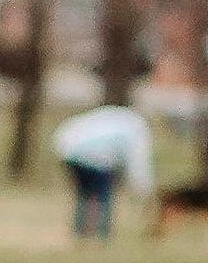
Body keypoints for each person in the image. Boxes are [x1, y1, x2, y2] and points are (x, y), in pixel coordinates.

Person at [53, 95, 155, 240]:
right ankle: (102, 235)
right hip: (94, 156)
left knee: (85, 194)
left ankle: (80, 233)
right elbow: (137, 162)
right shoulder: (136, 127)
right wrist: (144, 191)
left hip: (68, 149)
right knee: (104, 196)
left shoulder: (116, 116)